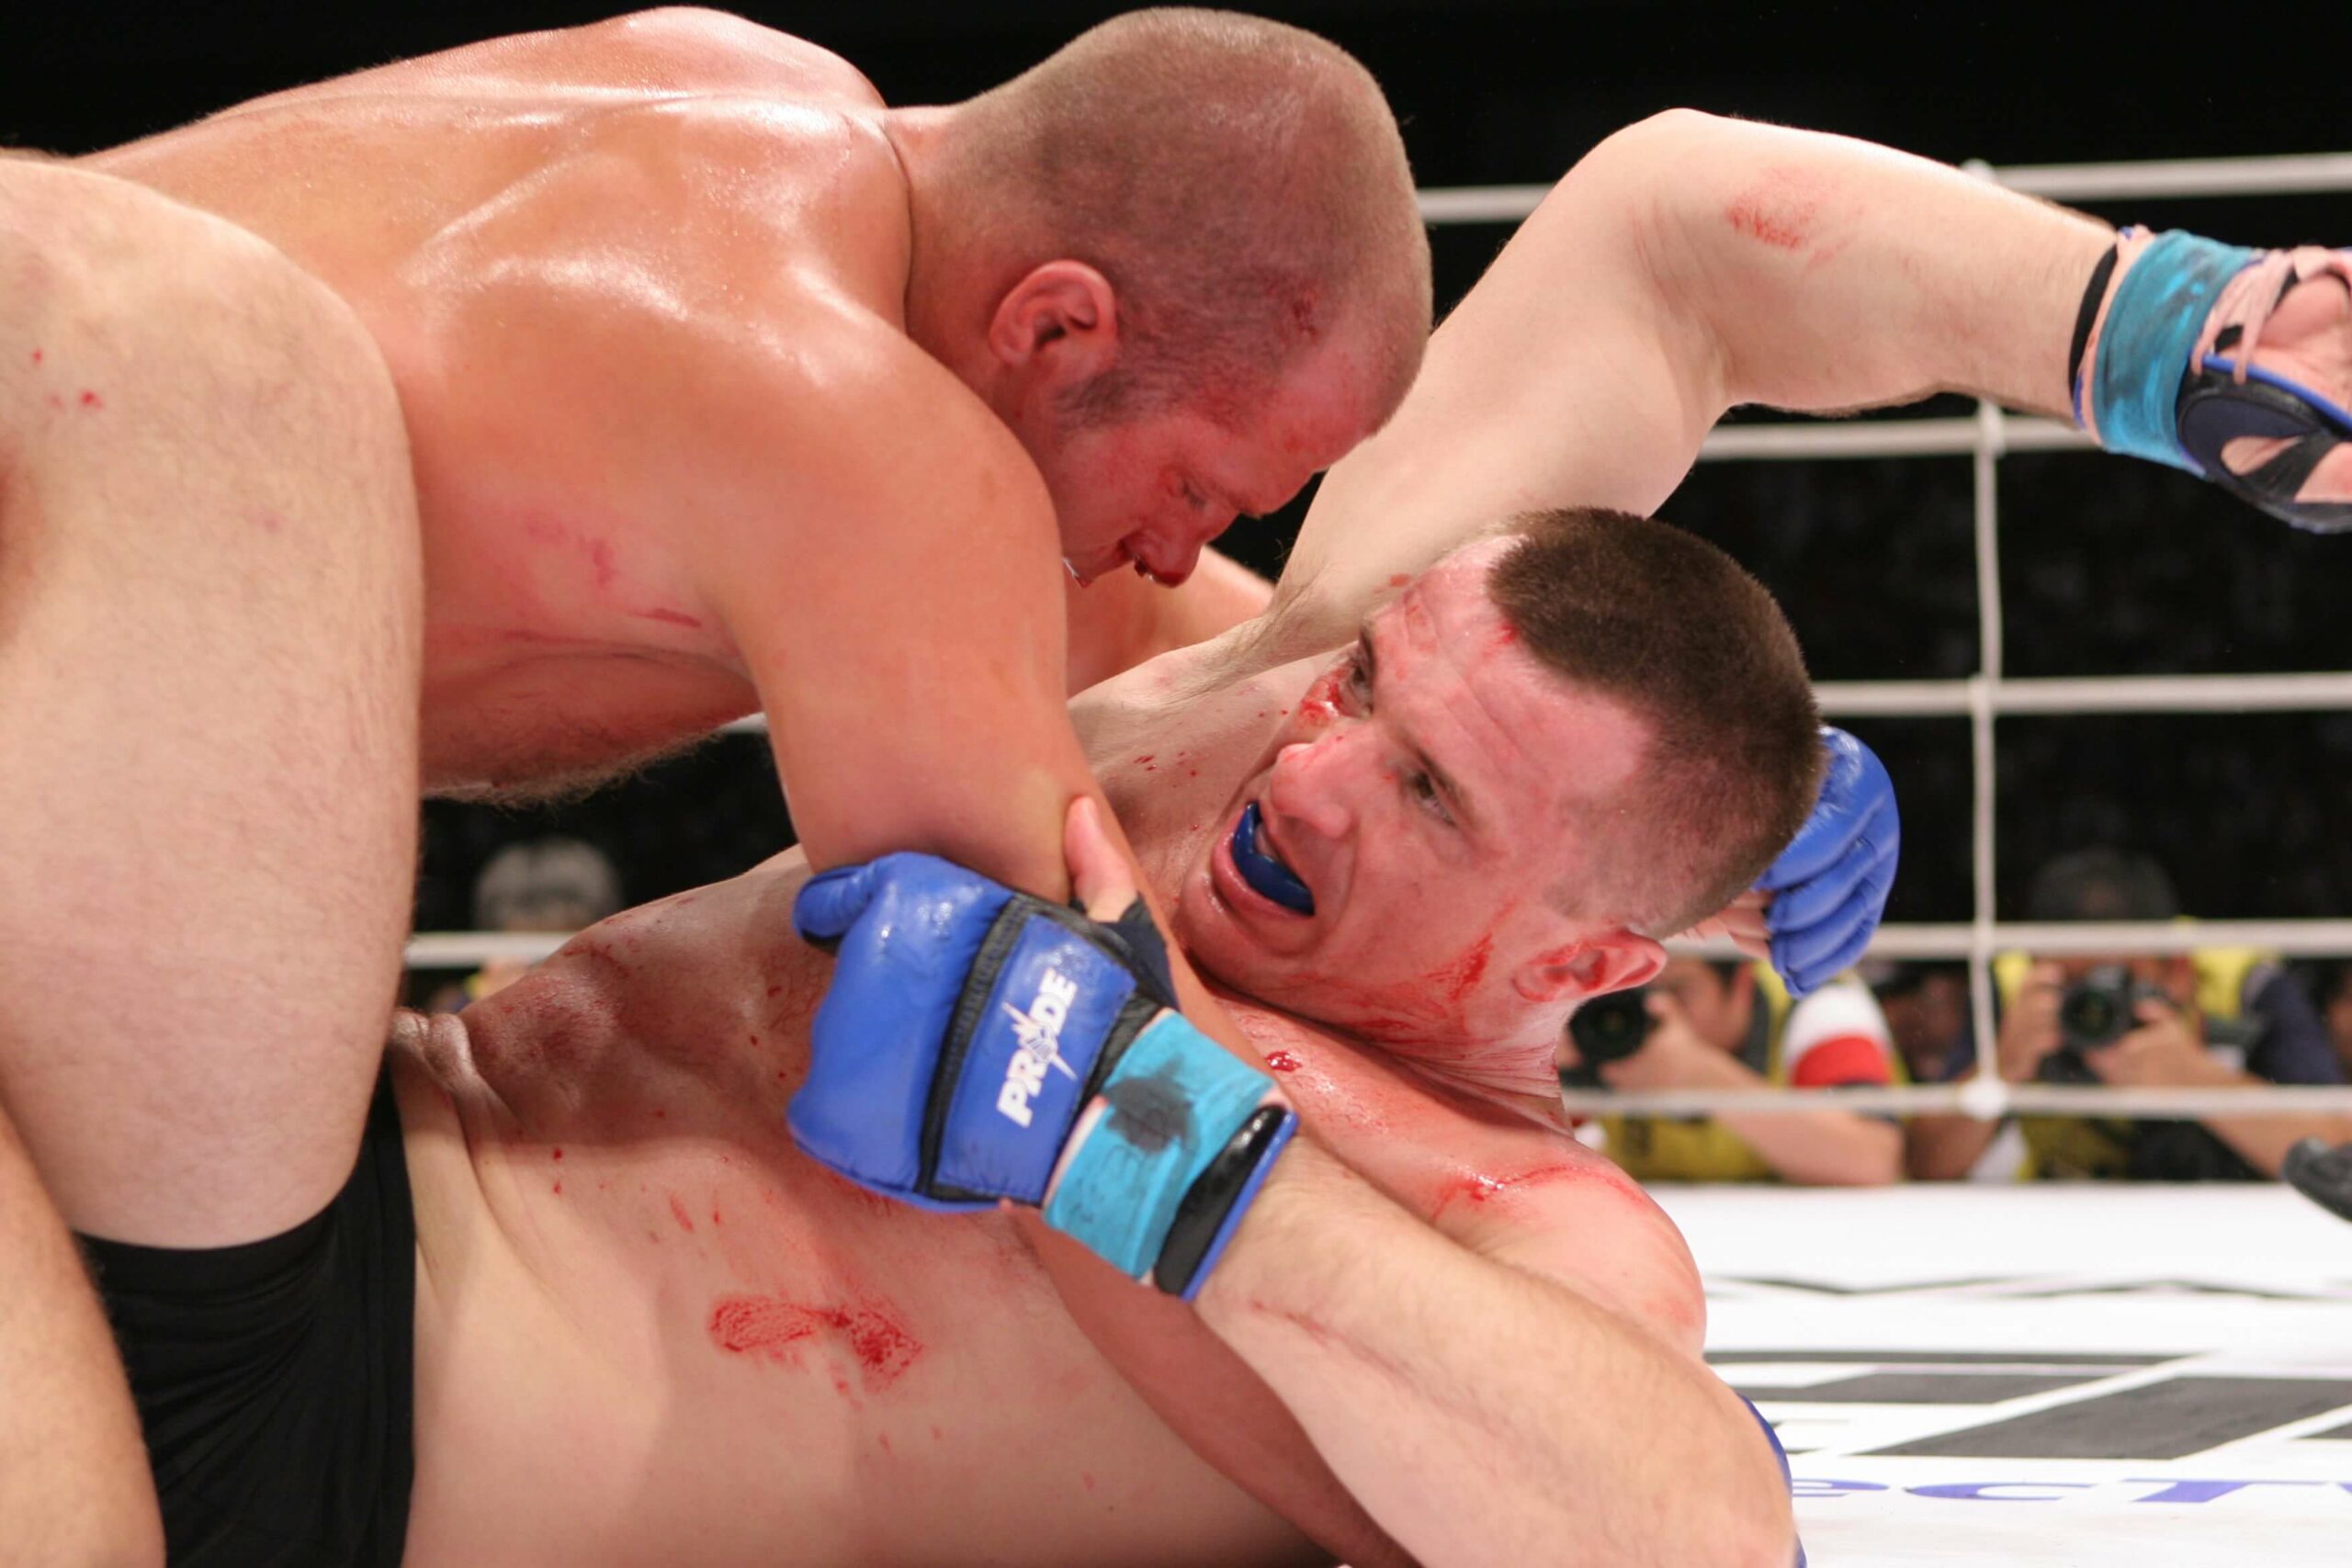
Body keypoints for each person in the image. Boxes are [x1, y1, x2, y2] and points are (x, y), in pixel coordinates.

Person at [51, 101, 2351, 1560]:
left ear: (1586, 955)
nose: (1309, 763)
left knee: (193, 359)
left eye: (1430, 790)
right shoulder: (1212, 722)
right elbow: (1671, 233)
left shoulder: (1493, 1211)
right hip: (250, 1130)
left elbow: (1692, 1531)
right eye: (1362, 690)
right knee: (157, 345)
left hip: (315, 1432)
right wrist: (2167, 326)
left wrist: (1177, 1167)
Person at [1906, 850, 2352, 1181]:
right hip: (2058, 1220)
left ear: (2178, 970)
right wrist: (2001, 1069)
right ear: (2038, 965)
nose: (2096, 1008)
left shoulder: (2244, 983)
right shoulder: (2015, 991)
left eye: (2117, 983)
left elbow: (2338, 1150)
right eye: (2074, 987)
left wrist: (2196, 1079)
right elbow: (1923, 1163)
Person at [1571, 958, 1903, 1186]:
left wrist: (1702, 1075)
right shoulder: (1599, 1018)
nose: (1658, 1010)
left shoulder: (1816, 998)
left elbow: (1870, 1160)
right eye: (1636, 990)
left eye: (1679, 991)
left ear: (1743, 984)